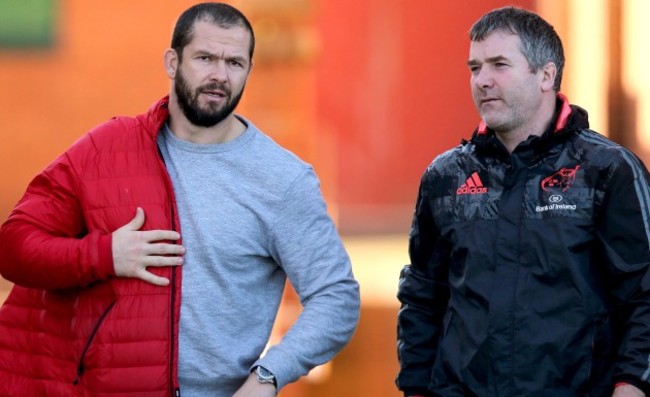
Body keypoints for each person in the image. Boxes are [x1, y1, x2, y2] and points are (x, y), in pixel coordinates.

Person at [0, 3, 360, 396]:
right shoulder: (106, 150)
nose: (219, 76)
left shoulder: (283, 180)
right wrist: (104, 255)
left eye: (235, 63)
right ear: (172, 62)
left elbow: (335, 297)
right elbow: (15, 246)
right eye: (205, 58)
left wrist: (268, 376)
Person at [396, 6, 650, 397]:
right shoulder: (445, 177)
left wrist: (631, 386)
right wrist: (415, 389)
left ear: (546, 74)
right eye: (474, 67)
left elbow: (645, 295)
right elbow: (422, 297)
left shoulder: (608, 171)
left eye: (499, 64)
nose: (482, 80)